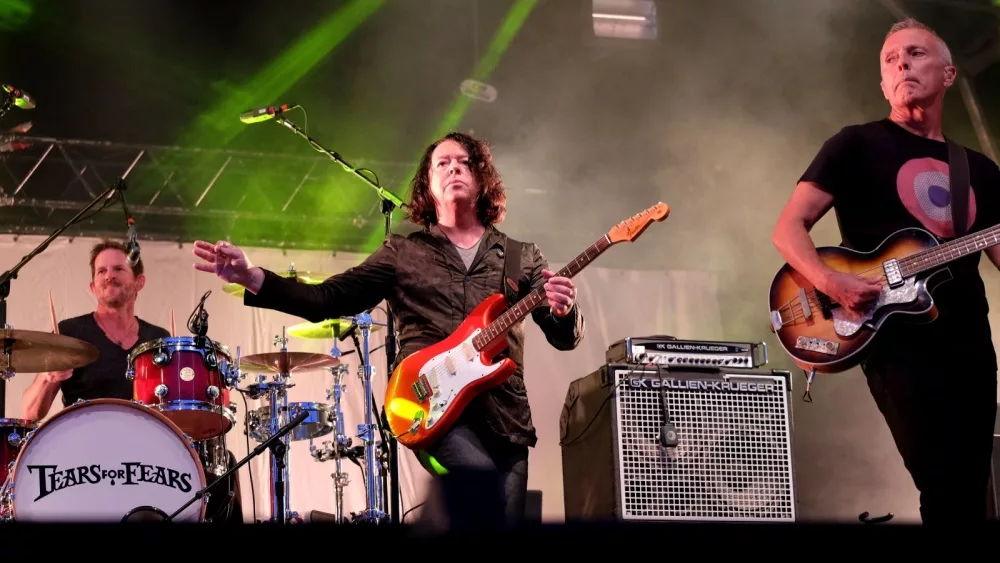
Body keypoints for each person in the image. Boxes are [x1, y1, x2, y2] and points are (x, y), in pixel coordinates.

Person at [192, 131, 585, 526]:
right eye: (442, 164)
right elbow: (327, 300)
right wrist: (253, 276)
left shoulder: (521, 256)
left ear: (482, 178)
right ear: (427, 187)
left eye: (464, 162)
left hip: (506, 419)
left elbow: (561, 335)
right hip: (431, 408)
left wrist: (564, 311)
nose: (454, 169)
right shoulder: (404, 253)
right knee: (479, 492)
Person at [772, 19, 1000, 524]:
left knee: (969, 487)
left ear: (947, 73)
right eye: (891, 60)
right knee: (939, 478)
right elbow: (788, 229)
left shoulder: (979, 171)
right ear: (882, 83)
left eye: (915, 53)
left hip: (969, 343)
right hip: (894, 341)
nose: (901, 63)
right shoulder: (855, 145)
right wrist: (832, 282)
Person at [21, 239, 244, 524]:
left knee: (224, 472)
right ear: (92, 287)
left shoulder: (159, 340)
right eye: (100, 271)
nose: (108, 276)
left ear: (139, 282)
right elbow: (29, 413)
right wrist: (48, 379)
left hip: (147, 458)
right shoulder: (69, 334)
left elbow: (177, 413)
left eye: (118, 269)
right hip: (84, 455)